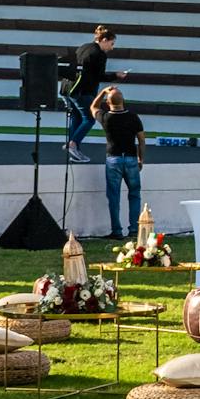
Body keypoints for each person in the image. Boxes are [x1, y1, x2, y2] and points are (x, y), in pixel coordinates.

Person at [62, 25, 127, 164]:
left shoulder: (84, 47)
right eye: (111, 43)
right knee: (90, 119)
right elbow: (100, 76)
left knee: (77, 117)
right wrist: (116, 75)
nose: (112, 47)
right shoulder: (100, 54)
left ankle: (73, 147)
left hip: (69, 88)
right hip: (83, 90)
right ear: (104, 40)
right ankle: (73, 144)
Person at [94, 86, 145, 239]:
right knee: (135, 194)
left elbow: (93, 106)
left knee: (114, 196)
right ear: (123, 100)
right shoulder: (133, 117)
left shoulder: (106, 117)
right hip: (130, 158)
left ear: (108, 103)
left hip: (113, 158)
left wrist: (103, 92)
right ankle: (134, 229)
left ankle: (116, 230)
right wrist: (140, 159)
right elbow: (141, 140)